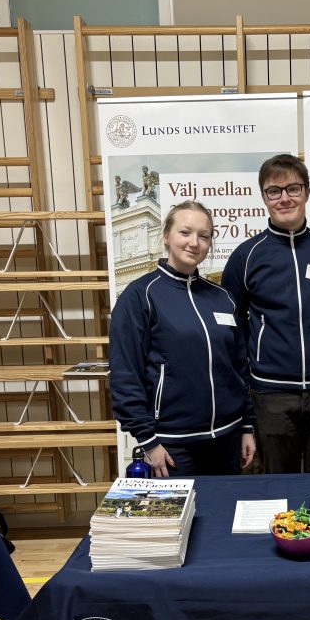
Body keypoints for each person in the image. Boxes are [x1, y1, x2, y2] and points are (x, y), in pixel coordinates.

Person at [221, 154, 310, 473]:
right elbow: (234, 327)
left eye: (293, 188)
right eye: (274, 191)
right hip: (271, 394)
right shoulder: (246, 256)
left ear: (306, 192)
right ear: (264, 197)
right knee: (279, 485)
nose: (284, 198)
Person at [109, 201, 255, 477]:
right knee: (181, 521)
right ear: (166, 236)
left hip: (228, 439)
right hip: (173, 445)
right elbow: (125, 374)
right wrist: (148, 441)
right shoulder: (140, 296)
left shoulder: (222, 298)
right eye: (185, 232)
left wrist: (247, 426)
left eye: (204, 235)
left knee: (223, 516)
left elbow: (239, 368)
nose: (194, 243)